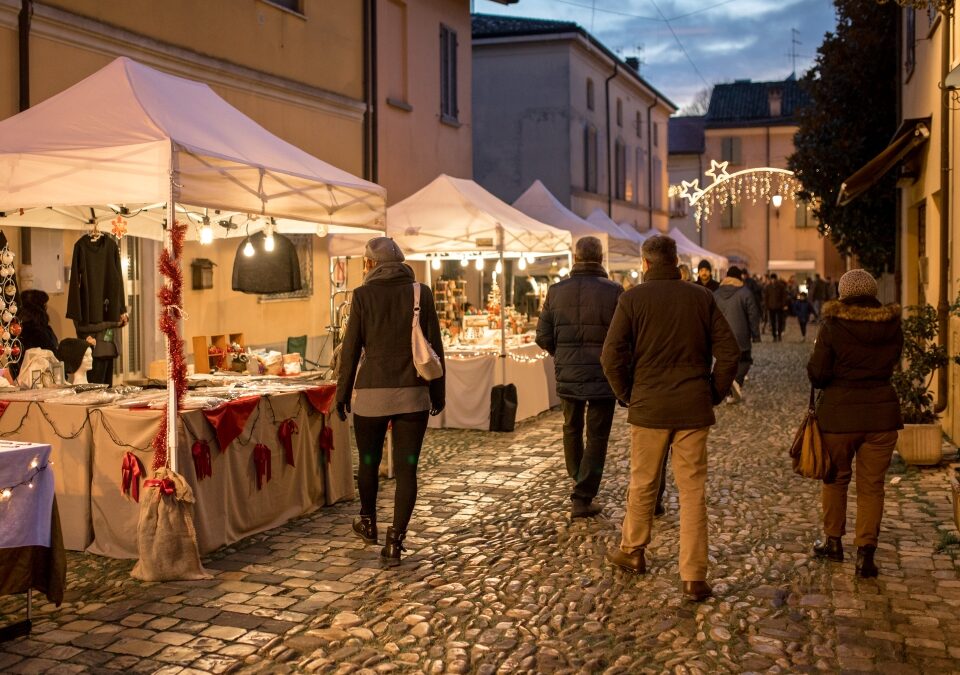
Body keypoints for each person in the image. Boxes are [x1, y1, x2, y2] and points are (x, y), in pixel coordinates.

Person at [601, 235, 740, 602]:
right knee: (692, 490)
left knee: (643, 482)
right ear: (676, 261)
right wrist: (713, 391)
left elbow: (610, 357)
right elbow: (730, 352)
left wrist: (628, 394)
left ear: (645, 264)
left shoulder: (631, 300)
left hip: (649, 406)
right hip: (692, 405)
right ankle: (693, 576)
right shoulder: (700, 297)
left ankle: (633, 550)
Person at [335, 237, 445, 567]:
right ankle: (395, 541)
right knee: (407, 470)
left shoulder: (363, 296)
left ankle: (368, 521)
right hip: (413, 394)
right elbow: (435, 345)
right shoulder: (419, 292)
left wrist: (342, 396)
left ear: (370, 264)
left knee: (368, 461)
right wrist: (438, 393)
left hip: (370, 397)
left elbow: (351, 348)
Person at [807, 269, 902, 578]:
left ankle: (833, 542)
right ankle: (865, 555)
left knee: (835, 479)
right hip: (881, 416)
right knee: (872, 487)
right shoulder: (891, 326)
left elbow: (818, 375)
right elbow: (894, 363)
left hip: (839, 416)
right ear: (873, 294)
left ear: (843, 293)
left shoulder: (832, 326)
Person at [536, 236, 622, 519]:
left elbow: (543, 336)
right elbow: (624, 337)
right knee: (597, 435)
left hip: (570, 373)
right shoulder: (614, 292)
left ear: (575, 258)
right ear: (600, 259)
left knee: (571, 427)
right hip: (603, 375)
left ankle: (578, 476)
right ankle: (583, 492)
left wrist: (560, 355)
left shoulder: (556, 291)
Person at [713, 266, 760, 403]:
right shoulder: (745, 293)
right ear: (739, 277)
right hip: (741, 335)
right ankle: (737, 381)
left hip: (721, 336)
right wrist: (755, 334)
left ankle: (729, 394)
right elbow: (753, 315)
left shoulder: (716, 294)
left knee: (725, 363)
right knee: (745, 360)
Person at [12, 289, 59, 380]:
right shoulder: (38, 332)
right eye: (44, 305)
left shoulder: (17, 330)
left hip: (20, 377)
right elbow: (53, 357)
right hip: (39, 379)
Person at [763, 273, 789, 342]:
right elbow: (766, 297)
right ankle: (774, 336)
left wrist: (783, 305)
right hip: (771, 307)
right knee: (773, 322)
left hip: (779, 307)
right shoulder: (768, 287)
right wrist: (766, 306)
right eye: (772, 279)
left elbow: (784, 296)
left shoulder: (781, 286)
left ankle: (779, 335)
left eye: (774, 279)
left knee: (779, 321)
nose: (773, 280)